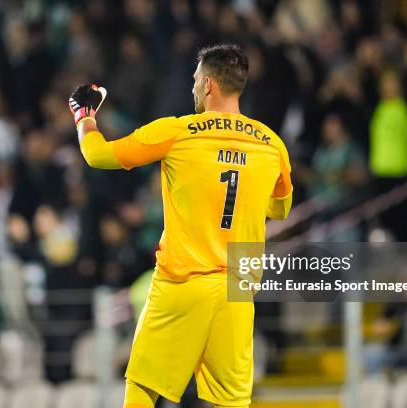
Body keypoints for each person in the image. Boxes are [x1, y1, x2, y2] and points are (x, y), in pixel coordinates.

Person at [68, 44, 293, 408]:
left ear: (208, 85)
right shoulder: (272, 145)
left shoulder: (178, 132)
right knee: (232, 403)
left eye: (194, 81)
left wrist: (84, 116)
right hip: (236, 289)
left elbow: (97, 155)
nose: (191, 88)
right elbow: (280, 208)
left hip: (183, 281)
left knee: (142, 387)